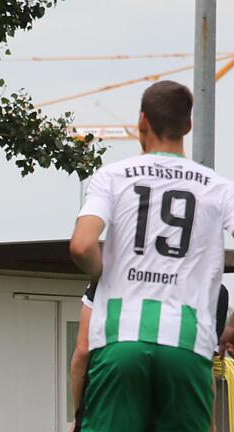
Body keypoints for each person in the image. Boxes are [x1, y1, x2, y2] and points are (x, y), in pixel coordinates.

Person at [69, 80, 234, 432]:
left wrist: (102, 272)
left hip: (121, 338)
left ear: (142, 122)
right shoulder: (218, 188)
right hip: (187, 343)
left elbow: (82, 245)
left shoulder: (112, 177)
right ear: (188, 126)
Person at [69, 283, 229, 432]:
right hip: (178, 404)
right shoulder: (212, 289)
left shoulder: (111, 271)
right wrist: (210, 423)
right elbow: (203, 368)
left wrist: (78, 415)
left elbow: (83, 350)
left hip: (113, 396)